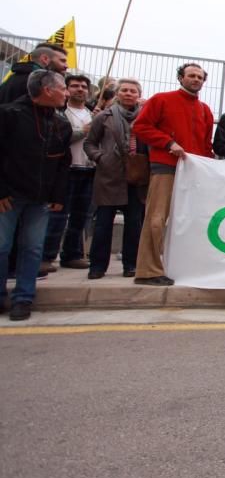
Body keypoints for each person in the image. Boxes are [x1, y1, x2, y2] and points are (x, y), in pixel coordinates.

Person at [132, 63, 215, 286]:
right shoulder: (160, 100)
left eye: (199, 77)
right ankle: (147, 270)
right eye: (191, 75)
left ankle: (179, 266)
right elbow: (140, 127)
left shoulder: (205, 110)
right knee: (157, 219)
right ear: (181, 78)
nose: (196, 79)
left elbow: (206, 145)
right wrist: (169, 143)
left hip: (192, 172)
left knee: (187, 221)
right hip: (165, 166)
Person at [0, 70, 71, 320]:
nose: (67, 92)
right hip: (8, 198)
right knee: (2, 246)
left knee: (32, 249)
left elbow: (63, 163)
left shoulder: (61, 124)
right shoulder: (9, 115)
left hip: (41, 200)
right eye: (63, 88)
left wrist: (58, 196)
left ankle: (23, 298)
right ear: (48, 90)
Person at [83, 78, 148, 280]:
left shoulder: (147, 118)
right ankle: (97, 266)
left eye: (133, 91)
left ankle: (131, 264)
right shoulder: (104, 116)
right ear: (118, 93)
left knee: (134, 223)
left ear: (139, 95)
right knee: (103, 223)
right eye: (125, 90)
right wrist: (100, 158)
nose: (129, 94)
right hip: (109, 177)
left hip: (137, 177)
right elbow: (89, 144)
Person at [40, 73, 95, 272]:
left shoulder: (93, 114)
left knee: (81, 216)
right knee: (58, 215)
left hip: (88, 170)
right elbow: (58, 139)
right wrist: (83, 131)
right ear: (67, 89)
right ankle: (46, 256)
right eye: (74, 86)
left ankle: (72, 254)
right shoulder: (59, 113)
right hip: (66, 171)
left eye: (83, 86)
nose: (80, 89)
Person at [0, 44, 68, 104]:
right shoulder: (37, 83)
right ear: (45, 59)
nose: (66, 66)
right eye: (62, 61)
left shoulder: (13, 78)